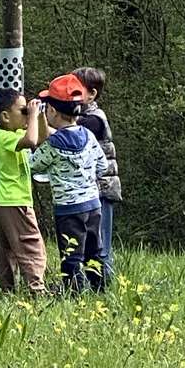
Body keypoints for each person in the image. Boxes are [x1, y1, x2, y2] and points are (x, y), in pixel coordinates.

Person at [29, 74, 108, 292]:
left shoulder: (53, 145)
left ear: (52, 111)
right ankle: (99, 288)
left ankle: (74, 292)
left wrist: (27, 141)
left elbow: (32, 165)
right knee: (94, 251)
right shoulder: (89, 136)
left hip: (68, 210)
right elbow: (102, 166)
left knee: (71, 254)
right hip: (93, 205)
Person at [0, 89, 48, 293]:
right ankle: (37, 289)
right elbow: (30, 142)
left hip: (7, 202)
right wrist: (31, 116)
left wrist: (40, 115)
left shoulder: (14, 132)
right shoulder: (3, 136)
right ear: (5, 116)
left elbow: (40, 137)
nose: (25, 114)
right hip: (15, 202)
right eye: (21, 111)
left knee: (9, 252)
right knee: (31, 245)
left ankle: (6, 290)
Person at [72, 67, 121, 285]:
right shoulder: (80, 116)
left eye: (76, 89)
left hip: (101, 188)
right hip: (88, 190)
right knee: (86, 244)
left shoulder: (93, 120)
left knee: (100, 246)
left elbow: (68, 135)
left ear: (91, 94)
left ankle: (102, 288)